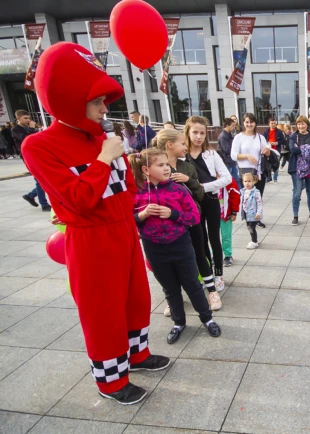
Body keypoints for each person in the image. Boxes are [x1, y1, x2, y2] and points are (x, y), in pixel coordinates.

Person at [21, 42, 170, 405]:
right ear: (69, 98)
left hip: (124, 229)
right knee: (102, 311)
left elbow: (128, 187)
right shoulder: (39, 145)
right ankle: (111, 380)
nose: (105, 107)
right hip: (91, 241)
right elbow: (80, 200)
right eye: (96, 100)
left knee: (136, 298)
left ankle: (137, 355)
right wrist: (103, 160)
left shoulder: (104, 138)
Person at [130, 148, 222, 344]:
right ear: (146, 169)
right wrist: (142, 215)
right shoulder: (136, 194)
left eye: (167, 164)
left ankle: (207, 318)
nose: (167, 168)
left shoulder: (177, 189)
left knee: (193, 285)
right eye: (161, 165)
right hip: (154, 248)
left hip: (181, 245)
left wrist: (173, 214)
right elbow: (126, 221)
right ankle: (178, 322)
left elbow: (194, 216)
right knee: (170, 288)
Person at [154, 128, 221, 311]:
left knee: (200, 253)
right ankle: (173, 297)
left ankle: (212, 291)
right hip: (167, 224)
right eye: (182, 143)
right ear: (170, 145)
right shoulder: (156, 166)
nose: (186, 147)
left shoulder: (188, 167)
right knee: (172, 260)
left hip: (190, 220)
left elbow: (199, 195)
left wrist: (189, 181)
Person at [186, 116, 232, 293]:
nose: (199, 136)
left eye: (202, 133)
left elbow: (227, 178)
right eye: (195, 132)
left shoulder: (211, 154)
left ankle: (218, 274)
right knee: (200, 240)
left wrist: (202, 187)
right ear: (188, 133)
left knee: (214, 238)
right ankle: (205, 274)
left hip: (211, 201)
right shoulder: (182, 156)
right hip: (191, 204)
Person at [14, 110, 51, 211]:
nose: (28, 120)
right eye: (25, 118)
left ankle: (31, 195)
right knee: (40, 180)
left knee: (43, 179)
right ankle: (43, 204)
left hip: (37, 155)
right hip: (27, 157)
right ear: (18, 119)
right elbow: (26, 139)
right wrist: (31, 128)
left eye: (29, 118)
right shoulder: (16, 130)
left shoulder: (28, 128)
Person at [288, 115, 310, 225]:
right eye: (299, 124)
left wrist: (301, 148)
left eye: (303, 123)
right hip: (296, 168)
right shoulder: (293, 136)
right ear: (296, 125)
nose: (301, 126)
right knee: (297, 192)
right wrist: (308, 148)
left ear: (307, 124)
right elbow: (293, 149)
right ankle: (295, 216)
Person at [220, 166, 240, 267]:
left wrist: (234, 211)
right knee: (211, 236)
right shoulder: (206, 178)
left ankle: (228, 255)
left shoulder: (229, 179)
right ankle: (213, 254)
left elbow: (235, 195)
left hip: (225, 214)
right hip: (211, 214)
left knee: (226, 236)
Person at [240, 172, 264, 249]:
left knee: (251, 227)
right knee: (249, 227)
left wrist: (258, 213)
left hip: (253, 214)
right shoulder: (243, 191)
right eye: (245, 181)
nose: (247, 183)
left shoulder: (256, 192)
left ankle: (254, 242)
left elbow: (260, 203)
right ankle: (254, 240)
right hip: (246, 214)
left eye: (249, 181)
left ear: (253, 181)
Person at [218, 118, 241, 188]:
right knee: (228, 181)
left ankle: (240, 193)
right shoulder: (223, 136)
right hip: (227, 162)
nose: (234, 127)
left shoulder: (229, 134)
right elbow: (226, 149)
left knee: (236, 179)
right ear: (227, 126)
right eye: (232, 126)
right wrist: (236, 150)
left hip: (232, 161)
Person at [262, 116, 286, 183]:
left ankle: (275, 177)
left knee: (276, 163)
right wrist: (267, 143)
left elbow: (283, 141)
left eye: (274, 123)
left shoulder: (279, 132)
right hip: (268, 150)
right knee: (267, 164)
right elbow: (262, 141)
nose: (273, 125)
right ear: (269, 124)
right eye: (272, 123)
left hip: (276, 150)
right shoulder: (266, 132)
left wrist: (277, 143)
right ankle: (268, 177)